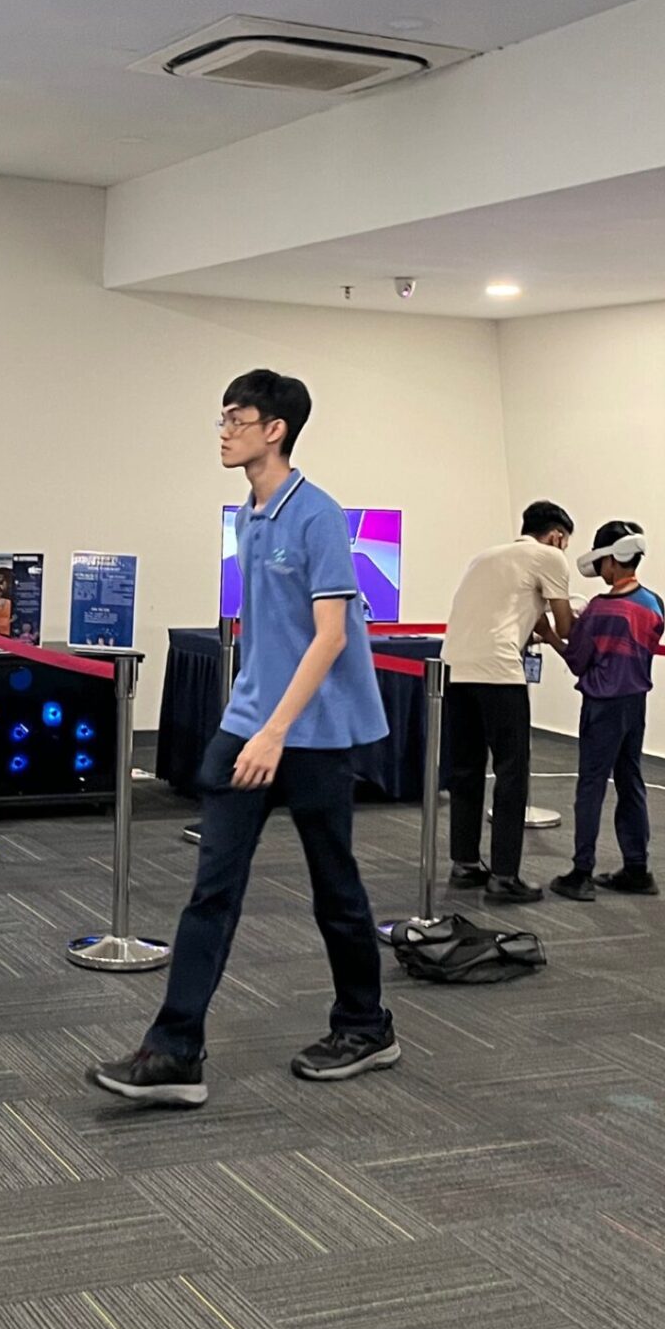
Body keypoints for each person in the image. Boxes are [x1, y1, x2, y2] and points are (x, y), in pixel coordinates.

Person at [87, 369, 397, 1108]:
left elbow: (327, 639)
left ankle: (366, 1024)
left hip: (314, 732)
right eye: (222, 416)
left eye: (236, 417)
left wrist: (275, 733)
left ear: (274, 429)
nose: (223, 429)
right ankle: (174, 1051)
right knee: (210, 890)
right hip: (252, 720)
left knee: (336, 889)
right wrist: (248, 723)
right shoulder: (247, 515)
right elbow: (269, 633)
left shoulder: (316, 515)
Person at [440, 501, 576, 903]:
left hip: (457, 668)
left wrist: (534, 625)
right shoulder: (549, 556)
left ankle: (465, 864)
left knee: (466, 770)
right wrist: (558, 632)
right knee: (512, 772)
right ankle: (504, 875)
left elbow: (504, 613)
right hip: (499, 673)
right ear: (557, 536)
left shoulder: (485, 557)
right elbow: (565, 625)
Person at [552, 521, 664, 902]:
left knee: (591, 784)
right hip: (636, 703)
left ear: (613, 560)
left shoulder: (601, 609)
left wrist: (549, 633)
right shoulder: (653, 603)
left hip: (602, 706)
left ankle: (581, 871)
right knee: (630, 780)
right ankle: (637, 867)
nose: (600, 571)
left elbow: (577, 660)